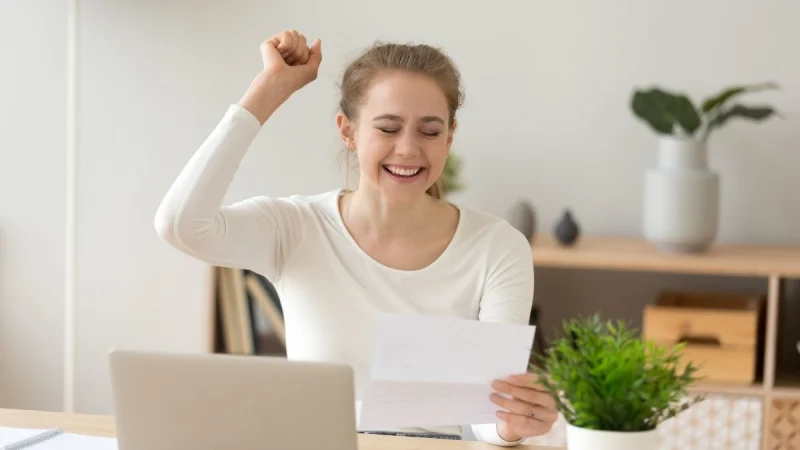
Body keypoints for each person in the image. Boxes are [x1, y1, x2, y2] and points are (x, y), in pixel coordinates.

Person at [154, 29, 558, 446]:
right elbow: (181, 225)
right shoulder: (296, 227)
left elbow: (487, 415)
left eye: (430, 131)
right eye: (388, 128)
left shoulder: (498, 247)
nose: (407, 149)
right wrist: (268, 90)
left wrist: (512, 423)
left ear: (450, 137)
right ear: (348, 132)